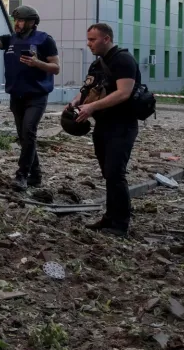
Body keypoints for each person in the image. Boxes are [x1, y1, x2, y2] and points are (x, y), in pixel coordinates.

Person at [0, 5, 60, 190]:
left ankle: (21, 176)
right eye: (16, 20)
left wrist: (37, 63)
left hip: (36, 95)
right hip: (17, 95)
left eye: (21, 20)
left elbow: (56, 67)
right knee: (24, 137)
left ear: (32, 22)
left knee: (29, 131)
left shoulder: (45, 40)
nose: (17, 23)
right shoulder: (10, 40)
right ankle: (36, 175)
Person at [66, 23, 141, 237]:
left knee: (116, 173)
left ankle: (120, 224)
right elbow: (87, 91)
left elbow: (123, 93)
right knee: (108, 173)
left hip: (122, 125)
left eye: (92, 39)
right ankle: (109, 217)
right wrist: (75, 103)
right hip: (103, 125)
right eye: (88, 39)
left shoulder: (123, 60)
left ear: (106, 39)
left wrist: (91, 107)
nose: (88, 44)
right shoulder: (96, 65)